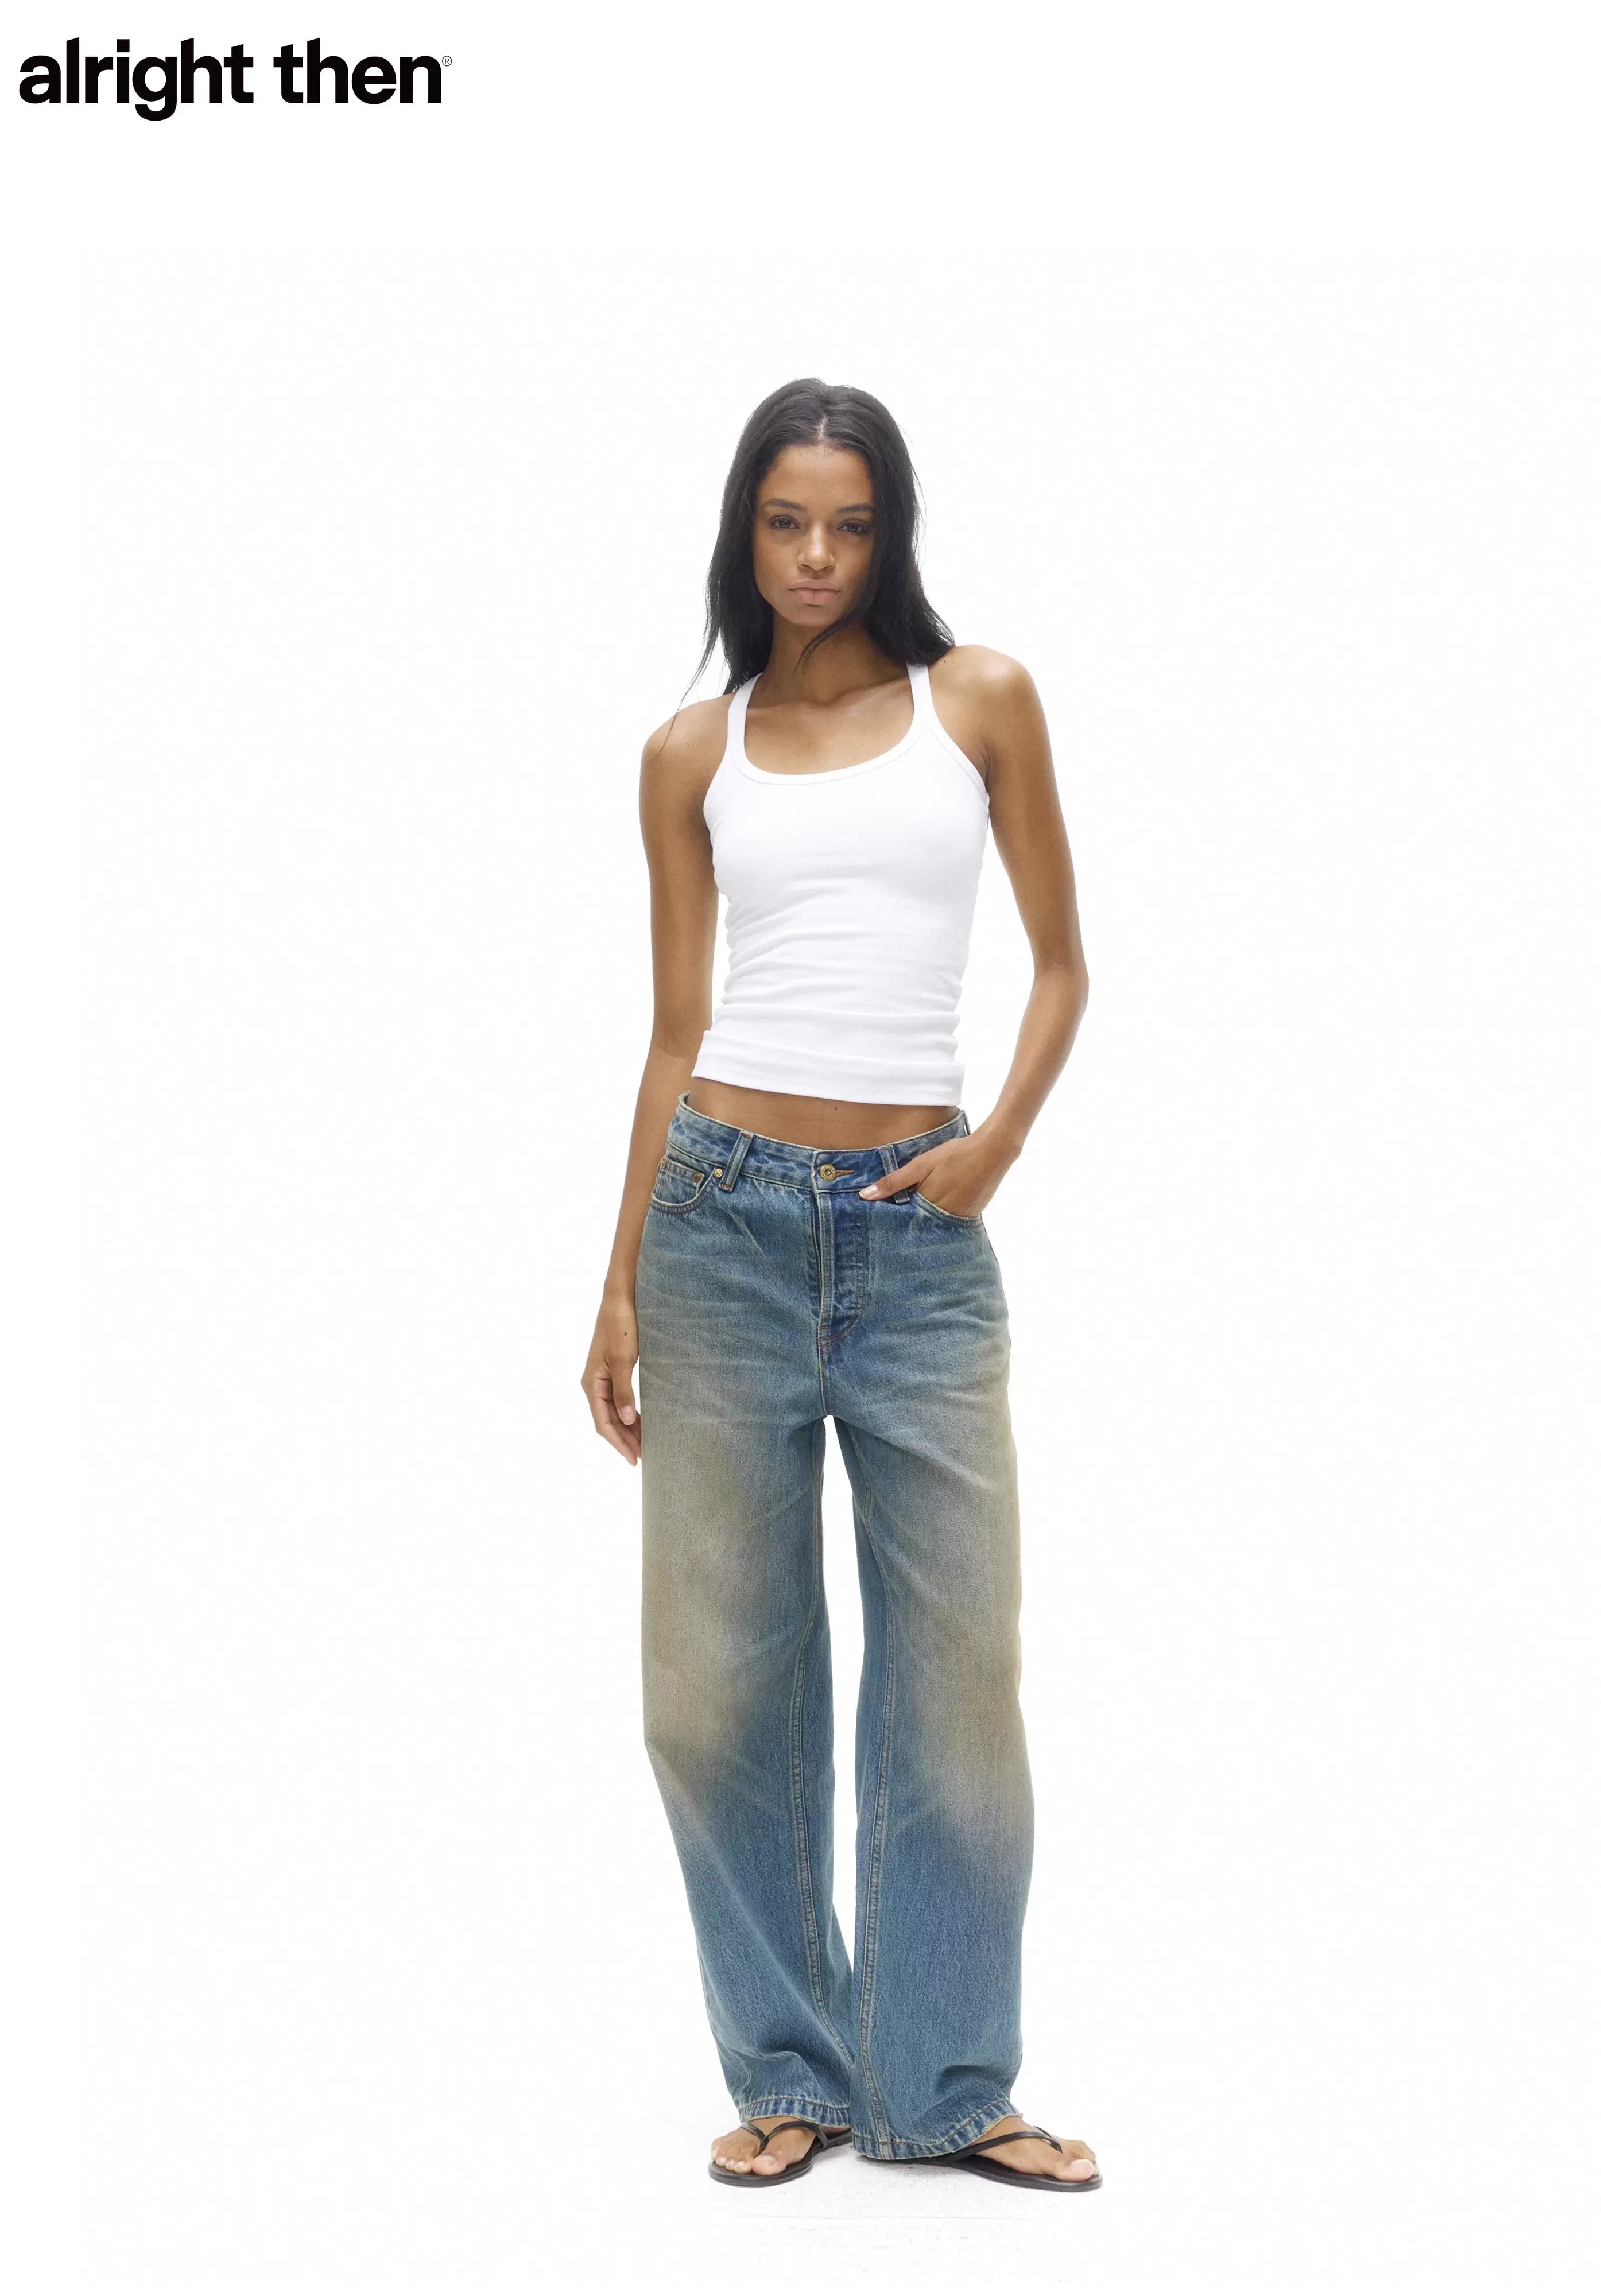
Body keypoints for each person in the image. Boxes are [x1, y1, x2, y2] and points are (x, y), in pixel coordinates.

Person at [581, 379, 1099, 2192]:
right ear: (746, 532)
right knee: (711, 1691)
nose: (817, 556)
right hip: (716, 1222)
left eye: (852, 524)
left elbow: (1064, 967)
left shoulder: (980, 702)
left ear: (893, 534)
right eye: (787, 522)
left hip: (920, 1235)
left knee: (957, 1678)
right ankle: (791, 2067)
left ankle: (945, 2083)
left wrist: (997, 1146)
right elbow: (673, 1034)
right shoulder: (689, 751)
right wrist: (618, 1287)